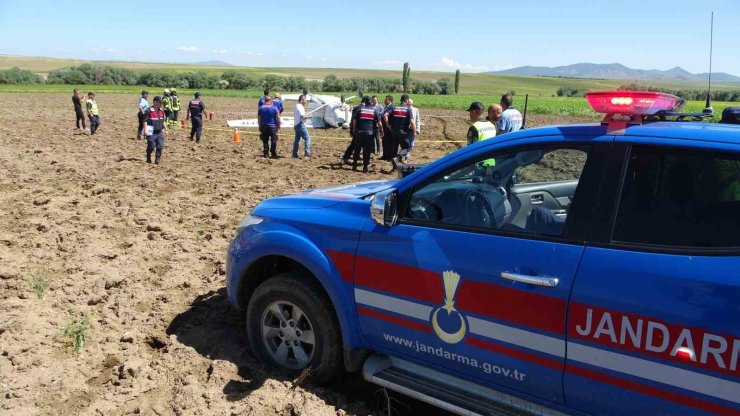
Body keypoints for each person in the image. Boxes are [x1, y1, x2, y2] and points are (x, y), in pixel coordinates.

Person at [352, 96, 382, 173]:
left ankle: (354, 165)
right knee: (367, 150)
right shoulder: (374, 110)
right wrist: (381, 131)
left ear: (365, 102)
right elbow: (379, 123)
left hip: (360, 132)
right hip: (369, 133)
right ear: (371, 102)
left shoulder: (360, 109)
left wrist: (354, 129)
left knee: (357, 148)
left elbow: (354, 120)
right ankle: (365, 167)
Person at [385, 94, 415, 169]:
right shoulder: (408, 109)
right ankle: (398, 158)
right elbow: (412, 121)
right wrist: (414, 131)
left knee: (394, 149)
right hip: (403, 132)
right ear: (407, 100)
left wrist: (388, 125)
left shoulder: (394, 107)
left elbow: (385, 115)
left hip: (394, 131)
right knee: (406, 147)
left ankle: (394, 168)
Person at [144, 96, 168, 165]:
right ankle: (148, 155)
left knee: (160, 146)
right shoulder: (149, 110)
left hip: (159, 132)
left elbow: (163, 121)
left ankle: (157, 160)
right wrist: (145, 130)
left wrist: (166, 129)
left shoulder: (161, 111)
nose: (161, 104)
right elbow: (145, 121)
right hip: (151, 132)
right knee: (151, 146)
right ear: (155, 102)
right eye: (160, 102)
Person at [292, 94, 311, 158]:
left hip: (296, 125)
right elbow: (303, 116)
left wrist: (306, 114)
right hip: (300, 125)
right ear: (302, 100)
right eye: (305, 100)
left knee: (297, 140)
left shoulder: (297, 106)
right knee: (307, 138)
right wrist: (310, 116)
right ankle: (307, 154)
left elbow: (302, 115)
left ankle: (294, 154)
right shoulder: (300, 106)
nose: (306, 101)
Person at [379, 95, 394, 160]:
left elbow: (385, 116)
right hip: (385, 128)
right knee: (384, 142)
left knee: (389, 142)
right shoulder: (386, 107)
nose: (384, 101)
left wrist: (388, 125)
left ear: (390, 100)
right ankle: (384, 155)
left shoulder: (391, 107)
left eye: (386, 99)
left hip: (388, 128)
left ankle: (389, 156)